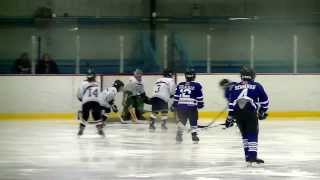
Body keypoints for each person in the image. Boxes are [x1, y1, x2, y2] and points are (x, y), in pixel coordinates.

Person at [224, 66, 269, 165]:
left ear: (242, 76)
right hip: (250, 112)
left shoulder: (235, 87)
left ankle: (247, 157)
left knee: (244, 135)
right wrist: (262, 111)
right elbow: (265, 101)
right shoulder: (257, 86)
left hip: (237, 114)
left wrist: (229, 119)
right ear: (252, 76)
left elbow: (231, 104)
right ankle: (252, 156)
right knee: (252, 133)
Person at [173, 69, 204, 143]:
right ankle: (194, 135)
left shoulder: (180, 84)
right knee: (193, 121)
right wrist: (200, 104)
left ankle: (179, 135)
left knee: (182, 121)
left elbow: (176, 96)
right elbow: (199, 96)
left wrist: (175, 104)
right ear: (194, 76)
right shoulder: (197, 85)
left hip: (181, 106)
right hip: (191, 106)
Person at [77, 69, 103, 136]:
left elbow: (79, 94)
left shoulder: (83, 83)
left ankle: (81, 129)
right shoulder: (98, 83)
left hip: (86, 101)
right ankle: (99, 128)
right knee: (97, 115)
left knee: (85, 116)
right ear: (94, 76)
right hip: (96, 101)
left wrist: (81, 99)